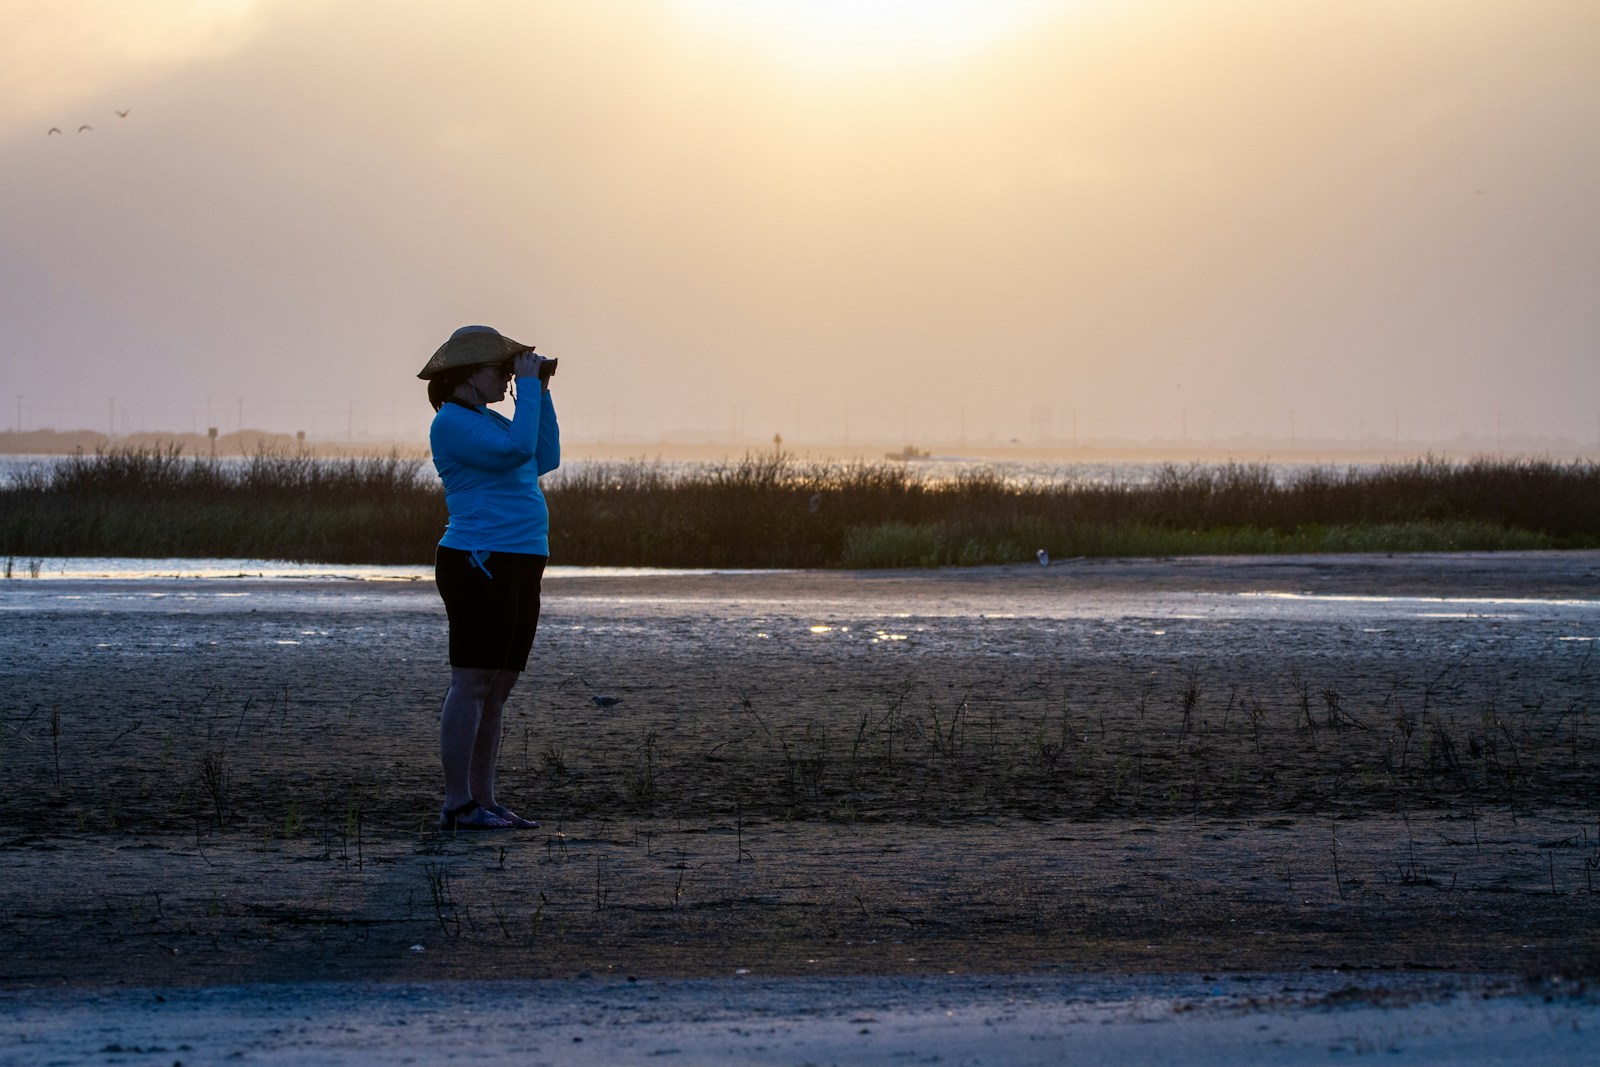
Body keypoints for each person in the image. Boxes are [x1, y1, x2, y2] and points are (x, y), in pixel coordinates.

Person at [418, 325, 560, 831]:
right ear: (465, 376)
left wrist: (538, 392)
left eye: (508, 370)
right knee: (472, 681)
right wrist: (526, 393)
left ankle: (485, 800)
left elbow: (544, 456)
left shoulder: (495, 421)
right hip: (479, 558)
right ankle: (457, 803)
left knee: (498, 686)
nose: (505, 377)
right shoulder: (453, 423)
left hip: (522, 558)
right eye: (498, 370)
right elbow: (517, 453)